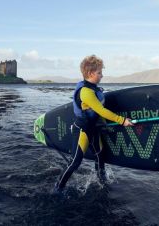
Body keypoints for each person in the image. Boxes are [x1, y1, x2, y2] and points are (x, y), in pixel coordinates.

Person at [55, 55, 134, 192]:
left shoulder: (93, 89)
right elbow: (101, 110)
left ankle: (101, 183)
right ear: (91, 73)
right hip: (83, 131)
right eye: (99, 73)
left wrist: (103, 125)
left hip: (94, 129)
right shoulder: (86, 92)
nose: (102, 75)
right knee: (75, 162)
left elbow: (97, 112)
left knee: (100, 157)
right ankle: (58, 188)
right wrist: (122, 121)